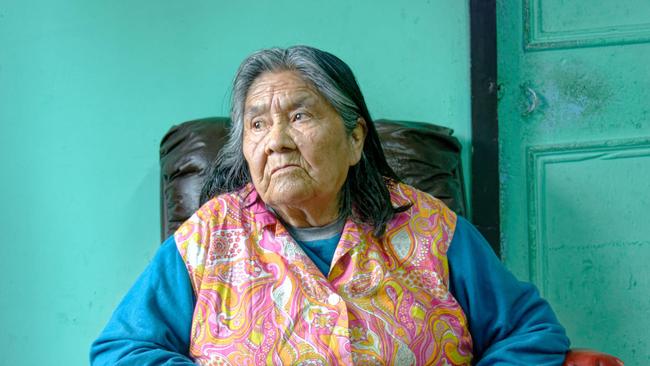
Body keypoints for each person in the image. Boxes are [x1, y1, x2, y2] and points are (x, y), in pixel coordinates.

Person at [90, 45, 570, 365]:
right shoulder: (208, 238)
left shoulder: (427, 227)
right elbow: (121, 350)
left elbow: (529, 331)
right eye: (257, 125)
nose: (276, 141)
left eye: (299, 116)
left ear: (355, 137)